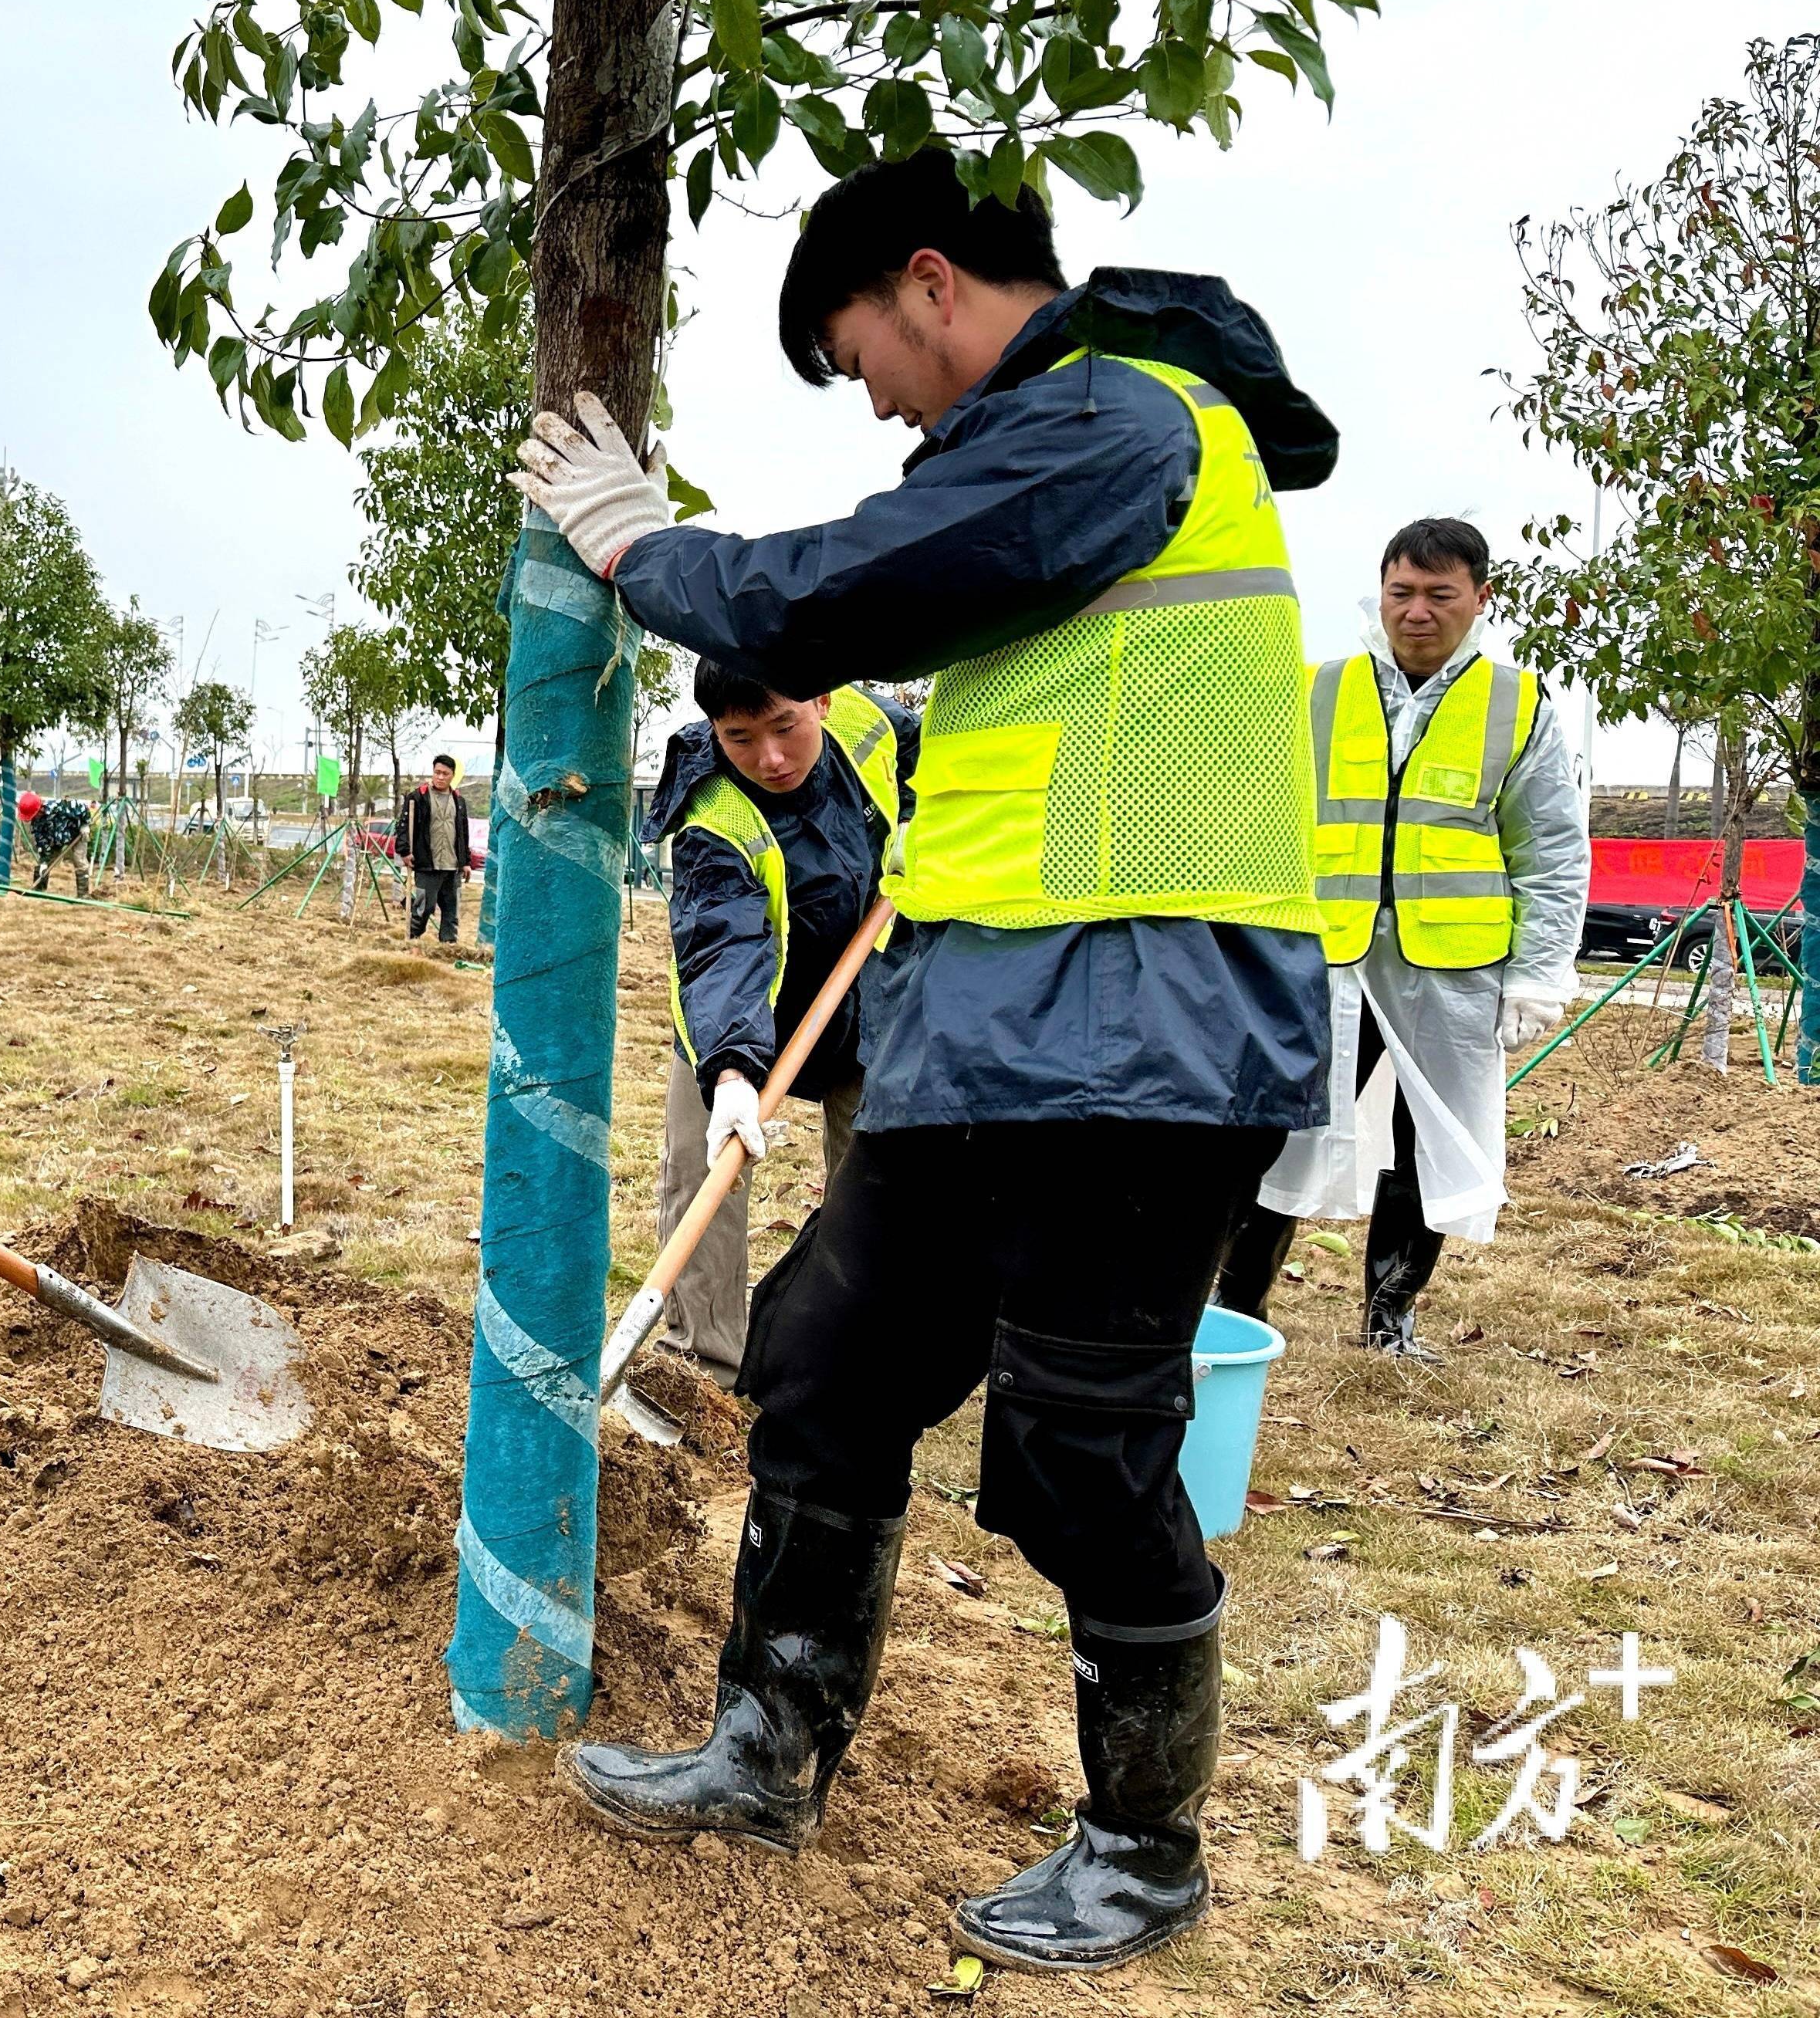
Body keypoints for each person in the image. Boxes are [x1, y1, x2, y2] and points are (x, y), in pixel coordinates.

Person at [511, 150, 1335, 1973]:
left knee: (1081, 1458)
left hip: (1152, 1035)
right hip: (984, 1035)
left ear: (935, 282)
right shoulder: (1034, 447)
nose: (872, 394)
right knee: (821, 1358)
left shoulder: (1127, 423)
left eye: (858, 348)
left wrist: (658, 555)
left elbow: (851, 588)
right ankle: (769, 1740)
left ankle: (1145, 1847)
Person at [1216, 520, 1588, 1356]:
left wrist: (1538, 971)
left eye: (1440, 595)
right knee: (1279, 1126)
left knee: (1426, 1141)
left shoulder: (1514, 704)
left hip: (1449, 968)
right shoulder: (1320, 689)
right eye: (1401, 593)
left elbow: (1552, 850)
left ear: (1480, 599)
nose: (1417, 612)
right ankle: (1237, 1308)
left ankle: (1391, 1316)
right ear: (1380, 591)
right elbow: (1254, 816)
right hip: (1325, 959)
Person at [644, 664, 912, 1385]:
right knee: (706, 1168)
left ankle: (850, 1360)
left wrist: (929, 821)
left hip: (865, 1000)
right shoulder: (712, 813)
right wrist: (730, 1069)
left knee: (876, 1181)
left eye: (786, 726)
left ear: (821, 699)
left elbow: (932, 761)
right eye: (740, 738)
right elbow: (723, 943)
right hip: (730, 1013)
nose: (770, 757)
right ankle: (703, 1366)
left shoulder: (868, 722)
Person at [397, 754, 472, 943]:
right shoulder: (418, 797)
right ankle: (412, 938)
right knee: (425, 907)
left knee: (451, 910)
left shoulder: (458, 800)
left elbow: (463, 832)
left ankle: (448, 945)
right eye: (437, 772)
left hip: (452, 865)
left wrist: (466, 862)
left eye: (445, 773)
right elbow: (404, 826)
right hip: (427, 864)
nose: (440, 777)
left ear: (452, 775)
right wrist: (405, 851)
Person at [29, 793, 93, 894]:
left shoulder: (59, 806)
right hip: (55, 840)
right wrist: (44, 862)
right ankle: (38, 890)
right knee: (45, 862)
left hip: (76, 833)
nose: (34, 818)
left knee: (79, 859)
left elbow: (82, 808)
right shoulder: (36, 824)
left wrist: (85, 824)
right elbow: (41, 842)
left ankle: (83, 893)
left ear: (40, 809)